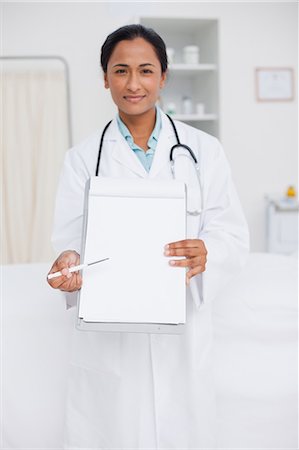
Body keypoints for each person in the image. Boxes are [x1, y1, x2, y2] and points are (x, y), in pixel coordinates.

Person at [48, 24, 249, 449]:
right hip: (110, 336)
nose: (133, 83)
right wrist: (69, 262)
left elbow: (230, 230)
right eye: (120, 71)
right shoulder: (83, 158)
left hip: (182, 328)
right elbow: (70, 239)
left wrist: (207, 250)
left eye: (145, 70)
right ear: (105, 78)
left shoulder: (204, 151)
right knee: (112, 431)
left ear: (163, 76)